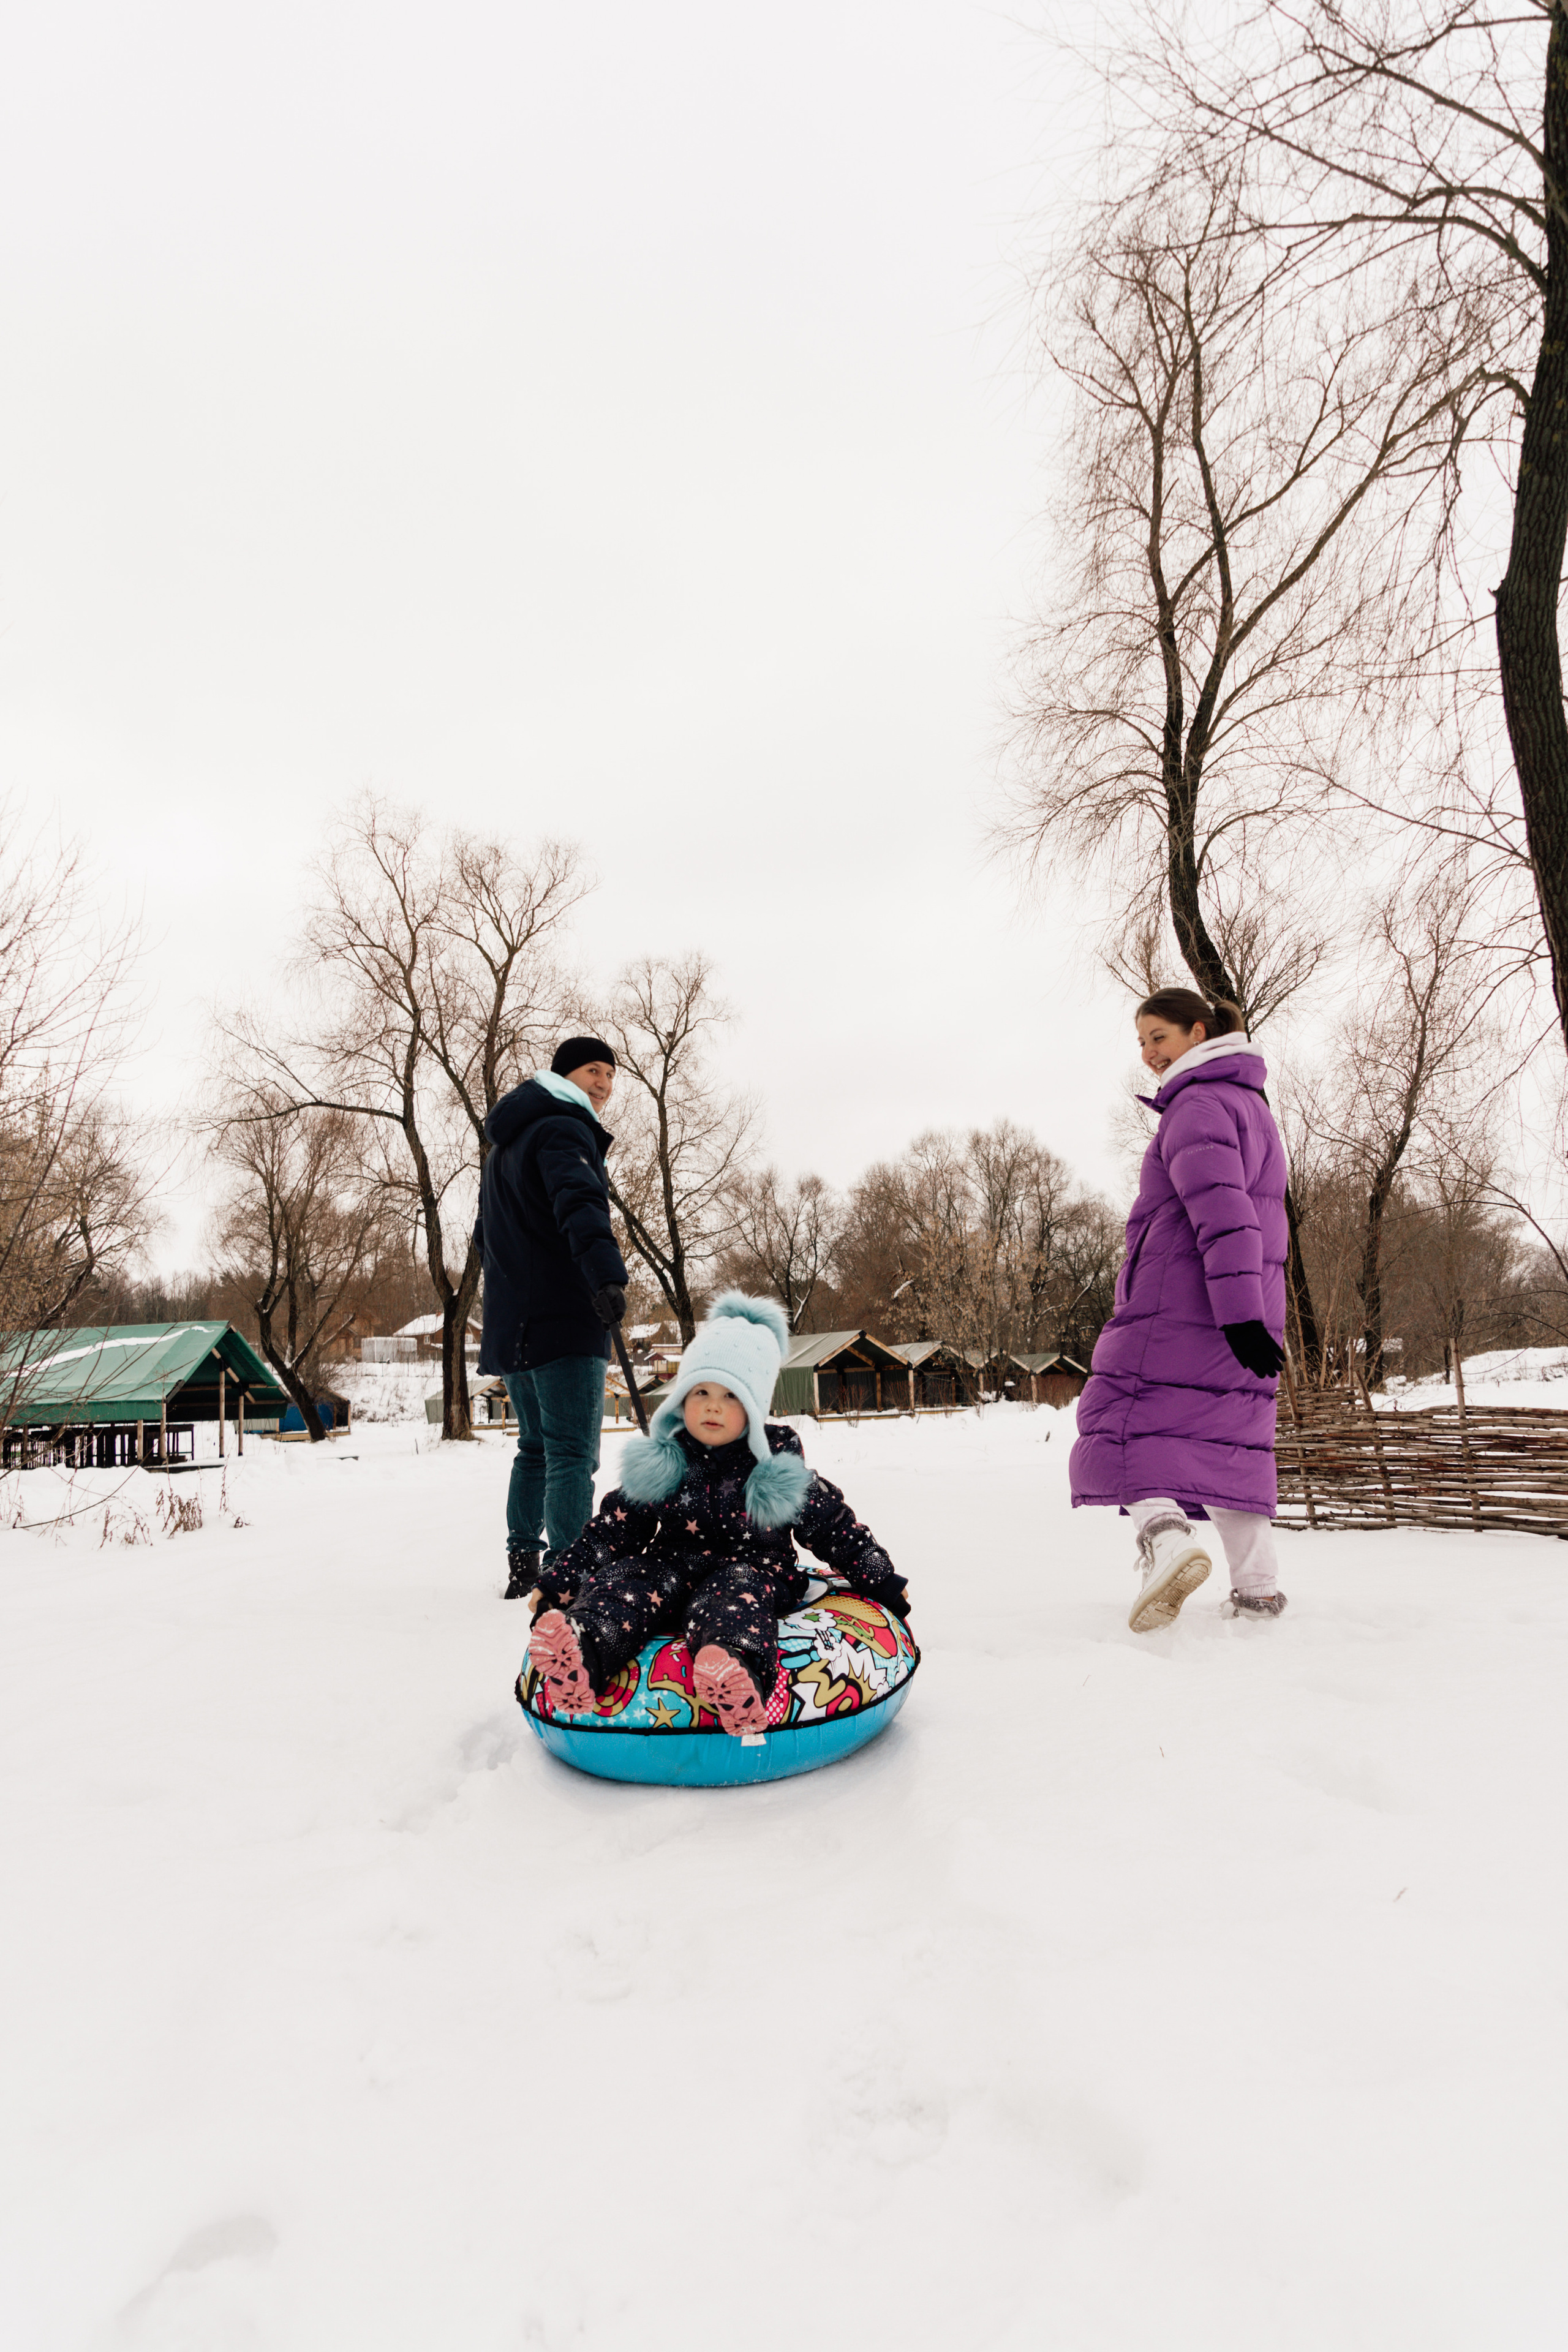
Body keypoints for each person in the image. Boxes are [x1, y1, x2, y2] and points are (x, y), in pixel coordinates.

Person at [527, 1293, 911, 1735]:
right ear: (680, 1399)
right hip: (672, 1569)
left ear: (753, 1408)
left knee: (734, 1596)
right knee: (628, 1578)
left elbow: (834, 1528)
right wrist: (560, 1583)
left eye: (731, 1396)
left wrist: (880, 1578)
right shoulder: (666, 1461)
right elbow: (612, 1531)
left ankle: (733, 1669)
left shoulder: (776, 1468)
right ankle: (580, 1651)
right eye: (701, 1392)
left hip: (753, 1571)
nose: (713, 1406)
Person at [1070, 988, 1291, 1630]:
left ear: (1198, 1033)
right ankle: (1258, 1594)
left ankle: (1166, 1540)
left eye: (1158, 1038)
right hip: (1241, 1304)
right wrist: (1249, 1313)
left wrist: (1236, 1314)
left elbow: (1225, 1216)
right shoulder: (1249, 1103)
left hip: (1184, 1306)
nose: (1147, 1054)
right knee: (1230, 1444)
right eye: (1141, 1042)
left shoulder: (1195, 1104)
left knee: (1116, 1422)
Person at [475, 1036, 631, 1600]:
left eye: (611, 1076)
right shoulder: (564, 1127)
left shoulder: (506, 1146)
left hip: (515, 1324)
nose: (604, 1084)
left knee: (536, 1449)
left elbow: (482, 1241)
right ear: (564, 1074)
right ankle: (570, 1576)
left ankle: (526, 1563)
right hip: (564, 1318)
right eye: (594, 1070)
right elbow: (579, 1202)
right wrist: (606, 1276)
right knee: (571, 1453)